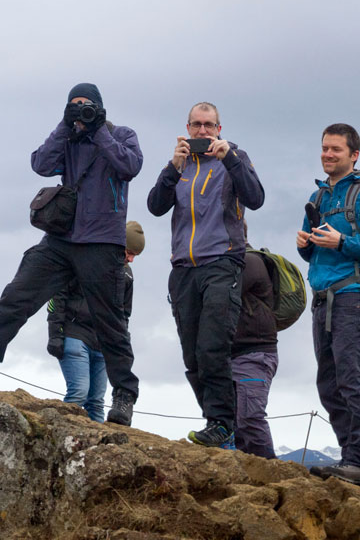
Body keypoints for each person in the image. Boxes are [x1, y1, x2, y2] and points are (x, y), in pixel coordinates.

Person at [0, 83, 143, 427]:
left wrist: (99, 128)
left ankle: (124, 395)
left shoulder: (122, 134)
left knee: (110, 322)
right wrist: (64, 125)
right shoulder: (68, 137)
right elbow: (41, 164)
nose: (81, 109)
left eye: (87, 105)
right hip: (61, 240)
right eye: (74, 105)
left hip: (103, 242)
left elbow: (129, 166)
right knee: (14, 299)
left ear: (101, 107)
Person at [147, 101, 264, 449]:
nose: (202, 131)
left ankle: (222, 423)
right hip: (183, 267)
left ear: (219, 129)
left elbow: (256, 198)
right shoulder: (180, 165)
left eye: (208, 125)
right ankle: (216, 422)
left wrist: (230, 158)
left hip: (222, 262)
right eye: (196, 125)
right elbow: (155, 206)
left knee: (214, 346)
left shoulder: (235, 159)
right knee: (192, 355)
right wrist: (172, 166)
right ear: (187, 127)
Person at [296, 123, 360, 487]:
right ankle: (348, 461)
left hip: (353, 296)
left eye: (335, 149)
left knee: (353, 380)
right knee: (329, 383)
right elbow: (313, 255)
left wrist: (342, 242)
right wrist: (305, 245)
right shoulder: (319, 196)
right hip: (322, 299)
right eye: (324, 148)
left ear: (354, 154)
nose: (327, 154)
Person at [46, 221, 144, 422]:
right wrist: (55, 333)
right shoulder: (83, 259)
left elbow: (124, 315)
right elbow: (57, 295)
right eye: (129, 252)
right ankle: (58, 439)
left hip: (104, 344)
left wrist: (120, 345)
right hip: (75, 334)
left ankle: (96, 451)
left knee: (96, 402)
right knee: (79, 393)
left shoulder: (127, 275)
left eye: (135, 255)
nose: (131, 259)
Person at [231, 222, 278, 458]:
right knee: (237, 423)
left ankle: (272, 473)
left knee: (249, 419)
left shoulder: (248, 262)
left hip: (254, 353)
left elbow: (222, 296)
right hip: (240, 352)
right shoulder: (237, 262)